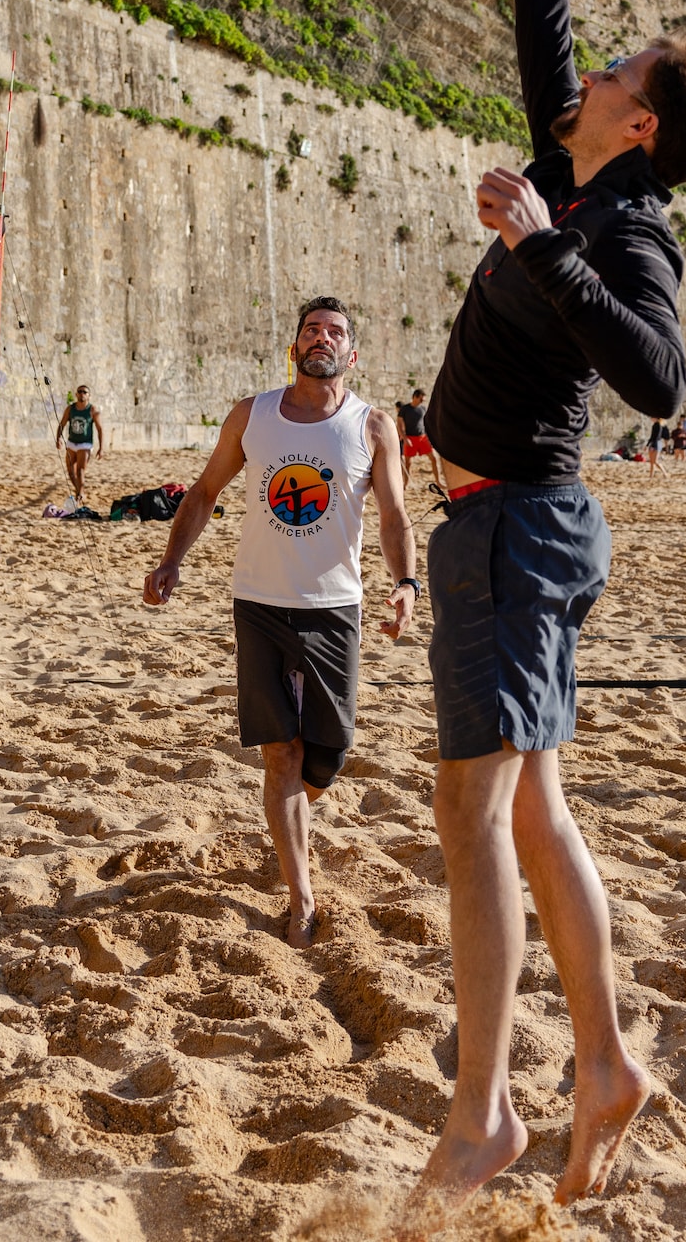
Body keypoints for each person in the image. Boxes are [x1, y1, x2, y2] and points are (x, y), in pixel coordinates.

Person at [411, 0, 686, 1218]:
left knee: (474, 816)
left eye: (620, 69)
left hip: (516, 532)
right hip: (503, 530)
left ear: (643, 128)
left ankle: (482, 1117)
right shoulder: (572, 168)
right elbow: (543, 33)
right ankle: (601, 1066)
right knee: (532, 811)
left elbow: (659, 379)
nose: (593, 69)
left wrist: (548, 250)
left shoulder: (630, 225)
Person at [142, 297, 418, 947]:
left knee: (328, 754)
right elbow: (205, 490)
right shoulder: (253, 415)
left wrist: (405, 582)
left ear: (353, 354)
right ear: (293, 348)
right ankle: (302, 898)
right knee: (280, 754)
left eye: (336, 332)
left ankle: (289, 812)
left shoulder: (374, 426)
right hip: (259, 603)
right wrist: (171, 561)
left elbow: (394, 516)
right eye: (311, 330)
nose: (322, 338)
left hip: (335, 609)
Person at [55, 385, 103, 501]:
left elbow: (99, 429)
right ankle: (78, 490)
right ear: (76, 394)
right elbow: (62, 424)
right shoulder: (70, 409)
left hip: (85, 444)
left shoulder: (92, 410)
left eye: (85, 392)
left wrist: (101, 448)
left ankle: (79, 493)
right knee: (70, 471)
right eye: (79, 392)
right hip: (72, 442)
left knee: (80, 470)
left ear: (89, 396)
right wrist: (58, 438)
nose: (82, 394)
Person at [396, 387, 442, 487]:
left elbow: (428, 423)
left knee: (434, 458)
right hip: (410, 438)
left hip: (423, 438)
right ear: (415, 397)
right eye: (421, 399)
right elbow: (399, 424)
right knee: (408, 463)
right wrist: (404, 437)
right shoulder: (405, 409)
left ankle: (438, 482)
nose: (422, 401)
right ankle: (405, 484)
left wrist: (432, 437)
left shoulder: (423, 408)